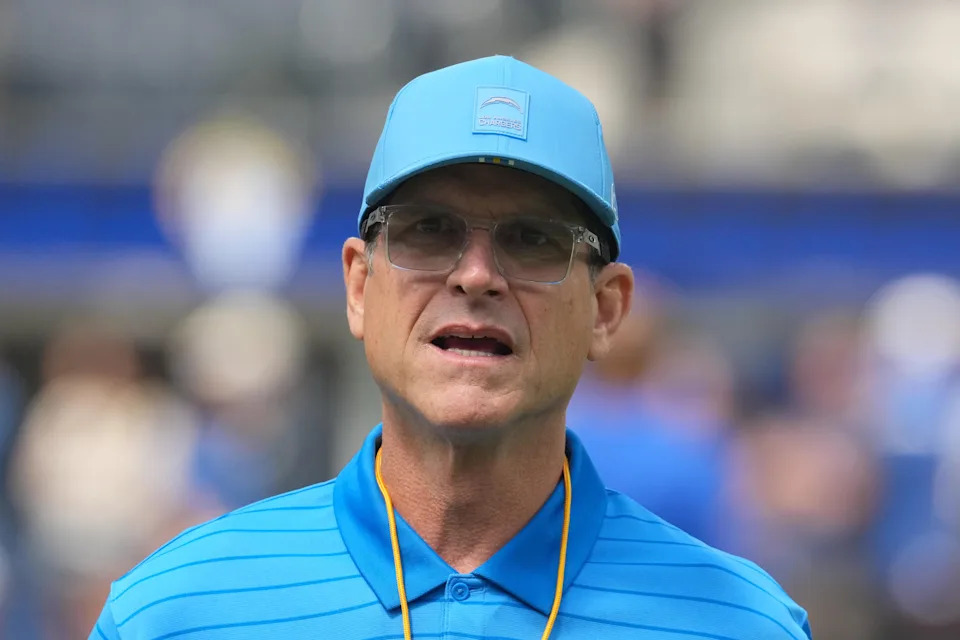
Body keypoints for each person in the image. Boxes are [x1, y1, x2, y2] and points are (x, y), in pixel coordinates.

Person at [90, 55, 812, 639]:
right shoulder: (173, 613)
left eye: (533, 240)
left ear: (605, 309)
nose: (475, 275)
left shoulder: (741, 623)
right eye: (427, 231)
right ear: (358, 287)